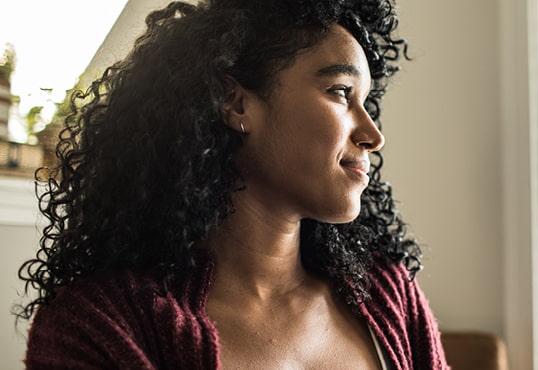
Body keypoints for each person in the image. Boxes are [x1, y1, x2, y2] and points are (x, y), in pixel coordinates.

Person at [17, 0, 449, 368]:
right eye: (340, 92)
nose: (373, 135)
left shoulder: (388, 295)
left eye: (367, 101)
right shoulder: (101, 324)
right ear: (236, 102)